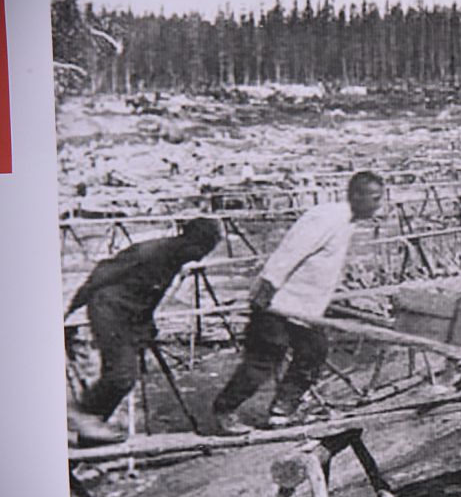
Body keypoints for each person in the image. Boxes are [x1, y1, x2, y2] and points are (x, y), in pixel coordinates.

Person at [211, 171, 385, 434]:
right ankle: (224, 410)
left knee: (314, 352)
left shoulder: (347, 222)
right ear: (357, 195)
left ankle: (281, 411)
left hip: (303, 308)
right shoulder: (327, 217)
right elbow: (291, 250)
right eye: (375, 198)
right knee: (266, 357)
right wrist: (268, 285)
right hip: (277, 302)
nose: (378, 205)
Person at [65, 218, 222, 445]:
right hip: (108, 310)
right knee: (122, 376)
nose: (201, 257)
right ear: (191, 242)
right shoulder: (151, 251)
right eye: (203, 250)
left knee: (123, 376)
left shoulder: (175, 258)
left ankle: (90, 434)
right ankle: (82, 417)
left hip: (130, 315)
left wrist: (147, 323)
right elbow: (101, 275)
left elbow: (149, 294)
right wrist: (70, 310)